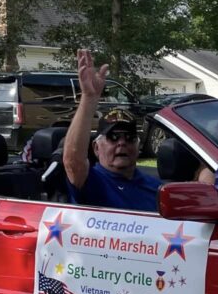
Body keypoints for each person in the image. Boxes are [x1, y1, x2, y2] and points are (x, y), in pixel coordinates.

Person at [63, 49, 160, 211]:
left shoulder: (156, 188)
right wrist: (89, 98)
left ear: (139, 147)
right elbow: (72, 161)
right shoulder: (91, 181)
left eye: (129, 137)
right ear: (96, 147)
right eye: (113, 137)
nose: (122, 143)